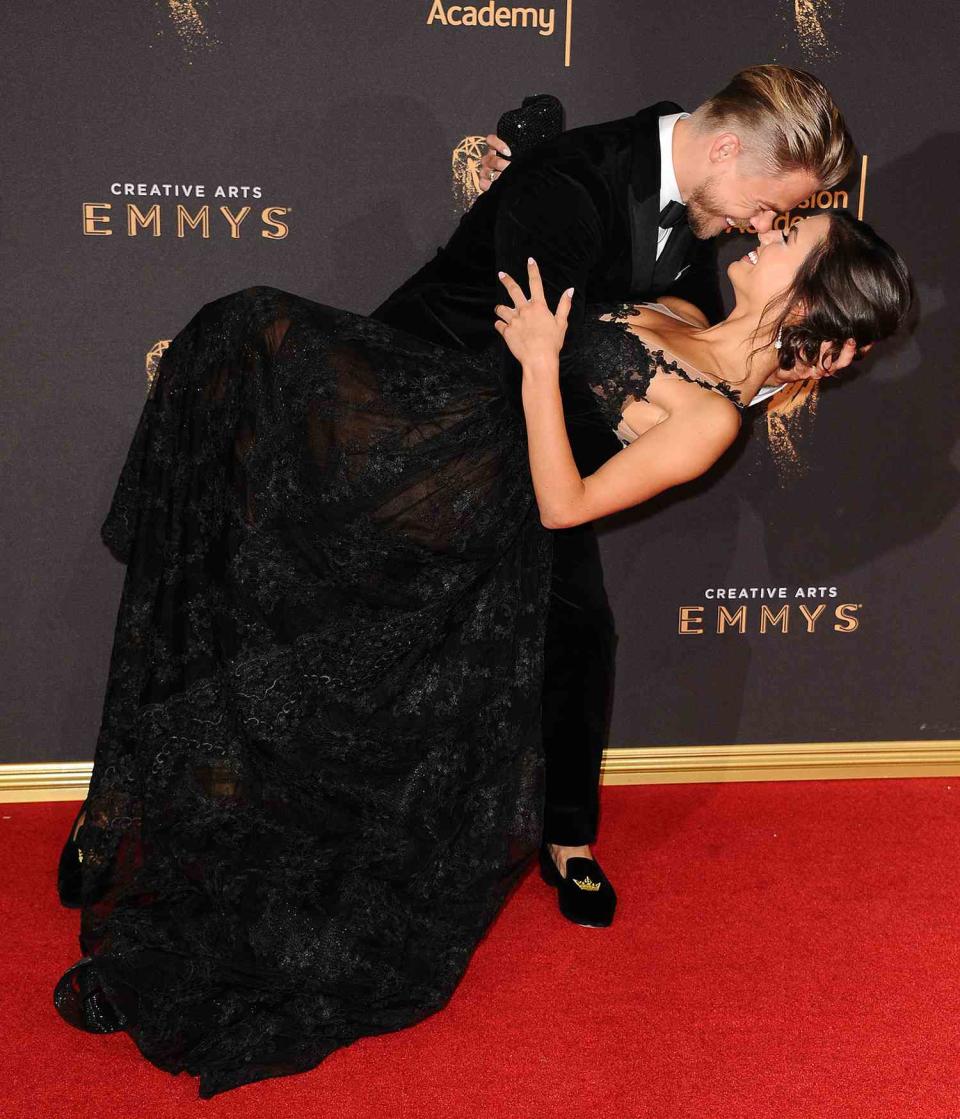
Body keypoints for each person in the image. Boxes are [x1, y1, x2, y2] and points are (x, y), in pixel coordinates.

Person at [52, 199, 910, 1096]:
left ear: (809, 305)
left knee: (295, 641)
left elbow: (565, 505)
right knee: (245, 330)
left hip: (464, 499)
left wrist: (543, 361)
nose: (767, 236)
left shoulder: (713, 420)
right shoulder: (689, 308)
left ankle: (174, 850)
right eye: (780, 226)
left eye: (789, 243)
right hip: (441, 416)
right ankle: (136, 807)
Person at [369, 65, 860, 924]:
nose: (763, 225)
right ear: (725, 147)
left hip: (542, 457)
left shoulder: (713, 222)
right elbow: (535, 336)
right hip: (433, 421)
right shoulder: (573, 180)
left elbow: (717, 359)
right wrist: (519, 178)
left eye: (782, 223)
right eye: (770, 205)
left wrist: (798, 360)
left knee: (581, 628)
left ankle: (568, 837)